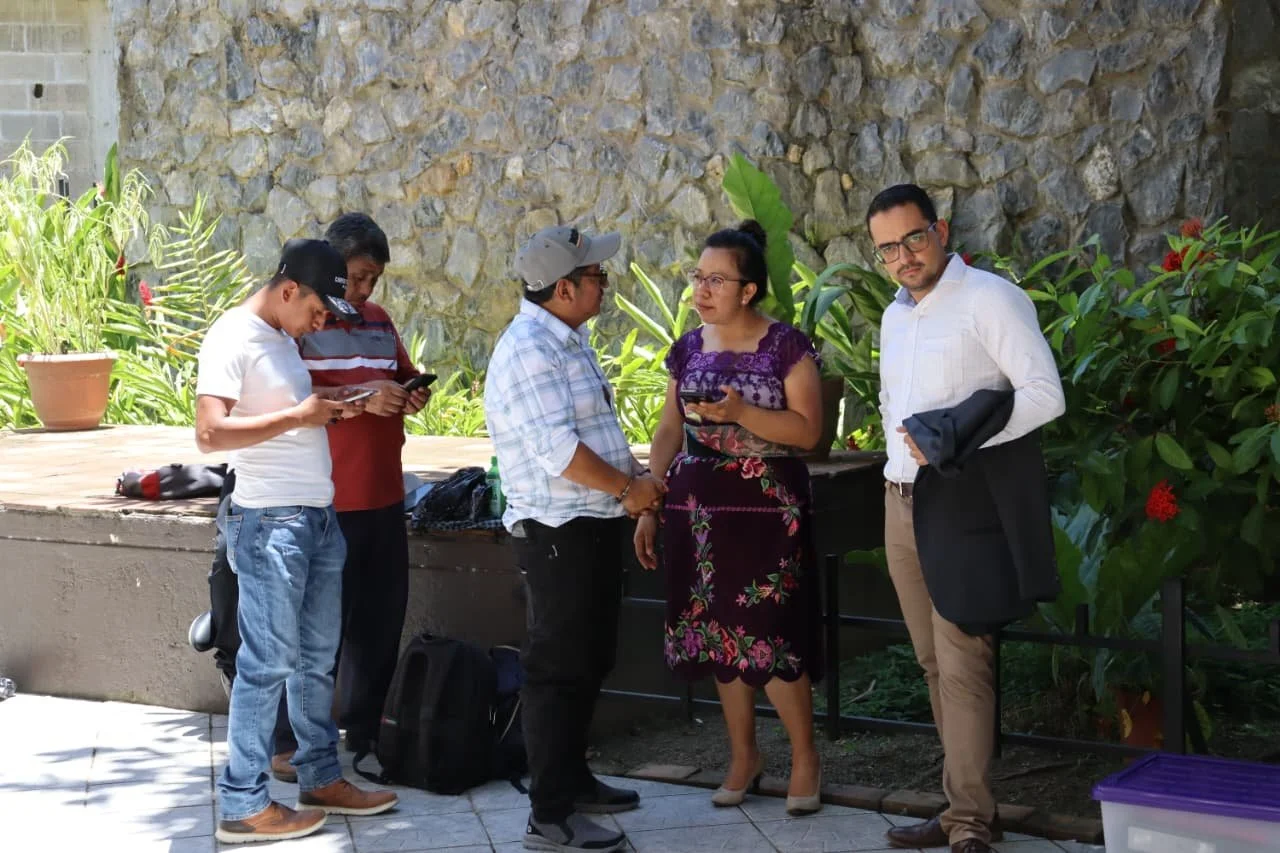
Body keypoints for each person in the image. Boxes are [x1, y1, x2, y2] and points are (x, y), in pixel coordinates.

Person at [867, 184, 1065, 853]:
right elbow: (893, 403)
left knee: (963, 662)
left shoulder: (990, 298)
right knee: (932, 662)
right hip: (899, 502)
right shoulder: (894, 317)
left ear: (941, 230)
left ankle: (971, 823)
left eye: (913, 238)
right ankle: (962, 807)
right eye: (888, 248)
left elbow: (1045, 395)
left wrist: (959, 435)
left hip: (962, 500)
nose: (903, 256)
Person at [195, 238, 399, 845]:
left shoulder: (282, 336)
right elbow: (210, 434)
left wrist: (330, 405)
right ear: (288, 290)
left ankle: (320, 777)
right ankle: (243, 804)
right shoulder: (232, 336)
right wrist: (300, 417)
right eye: (317, 311)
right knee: (267, 666)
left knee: (315, 659)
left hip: (316, 517)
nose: (321, 324)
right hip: (270, 524)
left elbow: (288, 411)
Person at [633, 220, 826, 816]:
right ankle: (744, 756)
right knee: (720, 632)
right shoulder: (688, 348)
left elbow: (809, 433)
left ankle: (805, 758)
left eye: (717, 279)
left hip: (768, 509)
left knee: (768, 632)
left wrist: (742, 413)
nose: (702, 289)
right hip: (698, 510)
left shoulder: (786, 346)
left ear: (749, 290)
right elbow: (669, 429)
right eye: (699, 277)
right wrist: (650, 499)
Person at [484, 225, 666, 853]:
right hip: (558, 530)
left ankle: (572, 779)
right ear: (564, 288)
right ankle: (550, 814)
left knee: (588, 660)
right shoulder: (529, 350)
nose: (604, 283)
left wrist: (632, 487)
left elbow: (596, 432)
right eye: (595, 275)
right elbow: (558, 450)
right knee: (558, 670)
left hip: (590, 523)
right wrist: (629, 489)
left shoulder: (565, 340)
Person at [267, 213, 431, 780]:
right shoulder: (302, 321)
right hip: (327, 498)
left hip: (384, 495)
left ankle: (365, 733)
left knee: (379, 625)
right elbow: (288, 395)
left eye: (373, 280)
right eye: (357, 277)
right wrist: (364, 395)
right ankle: (288, 741)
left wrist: (409, 392)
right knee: (316, 631)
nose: (363, 290)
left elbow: (399, 373)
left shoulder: (379, 321)